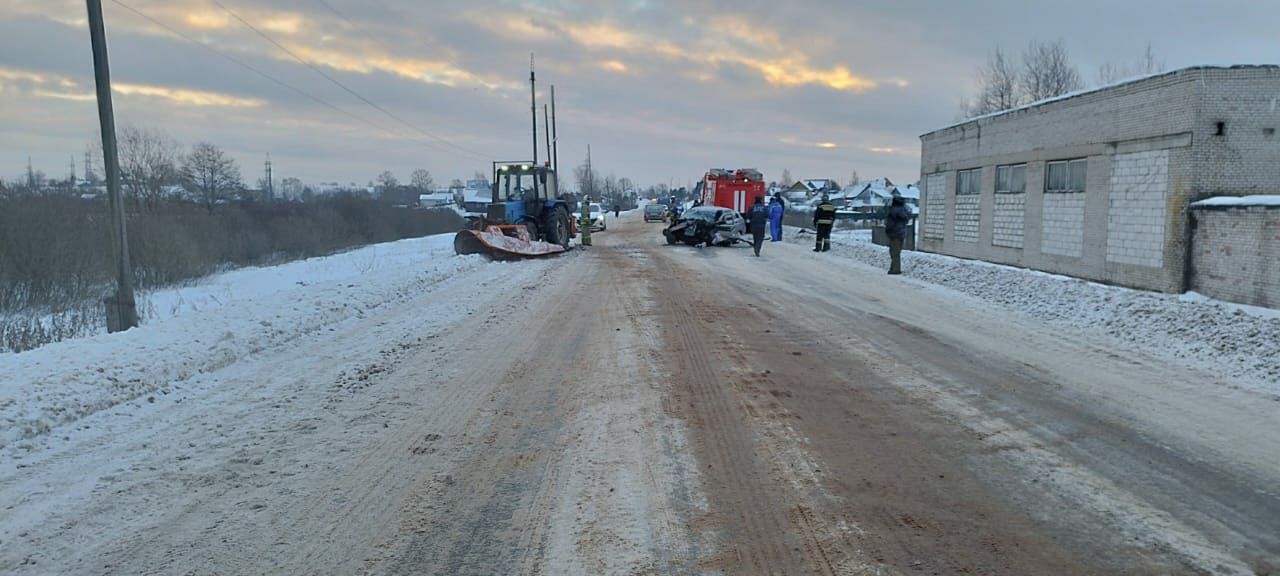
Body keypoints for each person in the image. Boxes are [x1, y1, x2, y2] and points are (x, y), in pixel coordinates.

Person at [885, 195, 912, 274]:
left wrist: (887, 230)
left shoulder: (893, 211)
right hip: (901, 234)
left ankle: (895, 269)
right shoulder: (904, 211)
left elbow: (890, 224)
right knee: (897, 252)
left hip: (894, 234)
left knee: (894, 253)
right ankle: (894, 268)